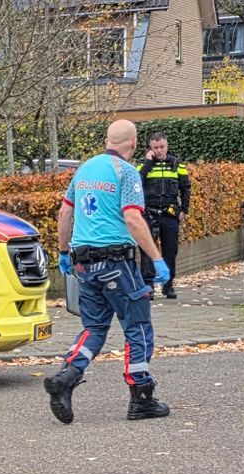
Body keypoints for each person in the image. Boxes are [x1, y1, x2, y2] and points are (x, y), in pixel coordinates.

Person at [46, 119, 172, 425]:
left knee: (94, 327)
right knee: (138, 327)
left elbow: (65, 212)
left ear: (107, 140)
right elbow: (132, 219)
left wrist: (63, 253)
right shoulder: (126, 172)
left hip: (84, 264)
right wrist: (157, 258)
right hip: (117, 264)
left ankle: (66, 377)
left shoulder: (84, 169)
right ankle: (141, 398)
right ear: (134, 143)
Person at [138, 133, 190, 299]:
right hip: (149, 212)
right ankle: (148, 286)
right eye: (155, 148)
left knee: (170, 251)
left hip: (169, 213)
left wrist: (184, 210)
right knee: (147, 250)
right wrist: (147, 163)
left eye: (162, 147)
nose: (159, 150)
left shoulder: (177, 164)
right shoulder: (143, 164)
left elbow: (185, 188)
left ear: (167, 146)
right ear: (150, 148)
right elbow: (137, 182)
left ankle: (168, 286)